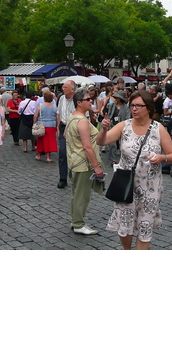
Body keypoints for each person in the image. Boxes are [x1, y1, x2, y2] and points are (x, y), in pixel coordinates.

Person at [98, 90, 172, 249]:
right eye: (132, 105)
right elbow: (102, 141)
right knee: (125, 227)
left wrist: (162, 158)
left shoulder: (158, 129)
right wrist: (104, 129)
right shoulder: (124, 126)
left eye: (138, 106)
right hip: (126, 185)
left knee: (145, 227)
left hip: (150, 188)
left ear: (148, 108)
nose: (134, 109)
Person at [64, 88, 105, 235]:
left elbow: (65, 134)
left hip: (74, 160)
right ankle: (78, 224)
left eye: (91, 99)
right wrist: (96, 167)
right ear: (79, 102)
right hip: (83, 163)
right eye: (88, 99)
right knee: (82, 195)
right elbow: (87, 147)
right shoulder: (82, 121)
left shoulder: (73, 117)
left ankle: (75, 221)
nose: (91, 101)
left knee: (76, 193)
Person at [56, 79, 76, 189]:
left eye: (65, 87)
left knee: (75, 153)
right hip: (63, 127)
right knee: (62, 153)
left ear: (72, 89)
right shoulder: (61, 98)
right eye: (63, 87)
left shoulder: (77, 100)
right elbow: (58, 113)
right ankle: (62, 178)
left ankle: (76, 177)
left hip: (74, 128)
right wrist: (58, 128)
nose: (63, 89)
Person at [103, 90, 130, 166]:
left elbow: (127, 117)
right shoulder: (113, 105)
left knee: (122, 144)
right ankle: (112, 159)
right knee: (112, 144)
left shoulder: (126, 107)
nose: (116, 99)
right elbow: (109, 114)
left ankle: (123, 159)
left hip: (121, 126)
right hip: (113, 125)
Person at [33, 90, 58, 162]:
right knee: (49, 141)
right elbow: (57, 117)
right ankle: (48, 157)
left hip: (42, 124)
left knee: (40, 140)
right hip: (51, 125)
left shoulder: (40, 106)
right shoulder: (54, 107)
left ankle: (39, 155)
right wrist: (57, 125)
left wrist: (34, 123)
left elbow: (35, 116)